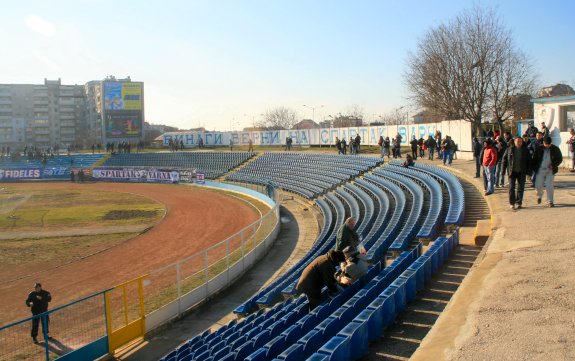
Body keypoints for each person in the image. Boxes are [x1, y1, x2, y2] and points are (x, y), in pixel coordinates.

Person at [532, 137, 563, 207]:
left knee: (549, 186)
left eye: (549, 144)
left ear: (551, 143)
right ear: (543, 143)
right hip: (540, 169)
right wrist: (534, 169)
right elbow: (534, 159)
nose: (547, 146)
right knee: (538, 185)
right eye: (546, 144)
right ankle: (539, 196)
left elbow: (560, 159)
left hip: (550, 170)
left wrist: (553, 165)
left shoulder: (555, 149)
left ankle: (550, 201)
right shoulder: (538, 149)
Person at [502, 137, 531, 210]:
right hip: (512, 172)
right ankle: (512, 203)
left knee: (520, 188)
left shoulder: (525, 150)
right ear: (514, 142)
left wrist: (529, 172)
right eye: (517, 141)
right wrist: (503, 171)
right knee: (511, 188)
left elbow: (529, 161)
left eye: (520, 141)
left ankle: (519, 202)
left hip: (522, 172)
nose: (519, 143)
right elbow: (504, 160)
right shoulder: (509, 149)